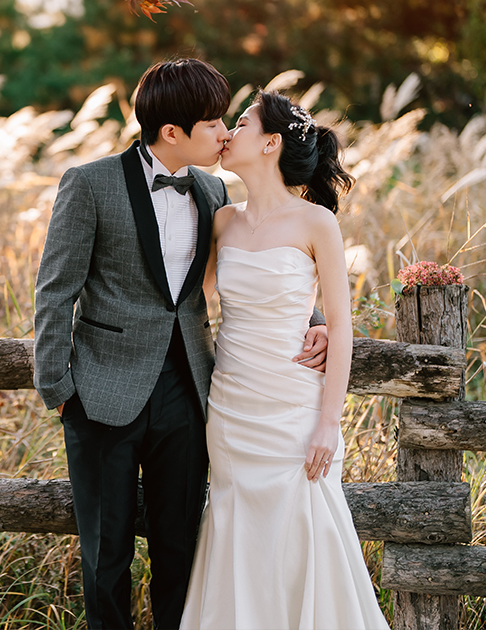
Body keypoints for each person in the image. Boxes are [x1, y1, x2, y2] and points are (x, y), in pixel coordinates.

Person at [33, 60, 329, 630]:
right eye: (212, 122)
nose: (224, 132)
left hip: (190, 393)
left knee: (181, 551)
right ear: (172, 133)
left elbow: (263, 260)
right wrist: (58, 389)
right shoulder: (89, 183)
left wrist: (312, 317)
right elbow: (54, 291)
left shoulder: (212, 189)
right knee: (106, 554)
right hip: (101, 393)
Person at [180, 90, 389, 629]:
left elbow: (340, 326)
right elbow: (190, 304)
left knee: (303, 533)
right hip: (231, 408)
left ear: (271, 142)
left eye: (242, 122)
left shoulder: (317, 223)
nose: (228, 131)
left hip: (295, 410)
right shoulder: (222, 220)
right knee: (236, 534)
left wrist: (327, 423)